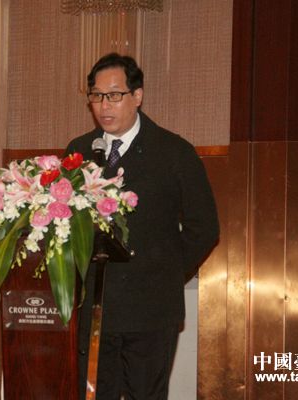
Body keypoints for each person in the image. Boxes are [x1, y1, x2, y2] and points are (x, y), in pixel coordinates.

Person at [64, 53, 220, 399]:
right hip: (94, 308)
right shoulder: (79, 152)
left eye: (114, 95)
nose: (104, 105)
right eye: (96, 96)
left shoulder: (174, 152)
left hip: (151, 309)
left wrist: (166, 271)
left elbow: (204, 227)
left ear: (137, 95)